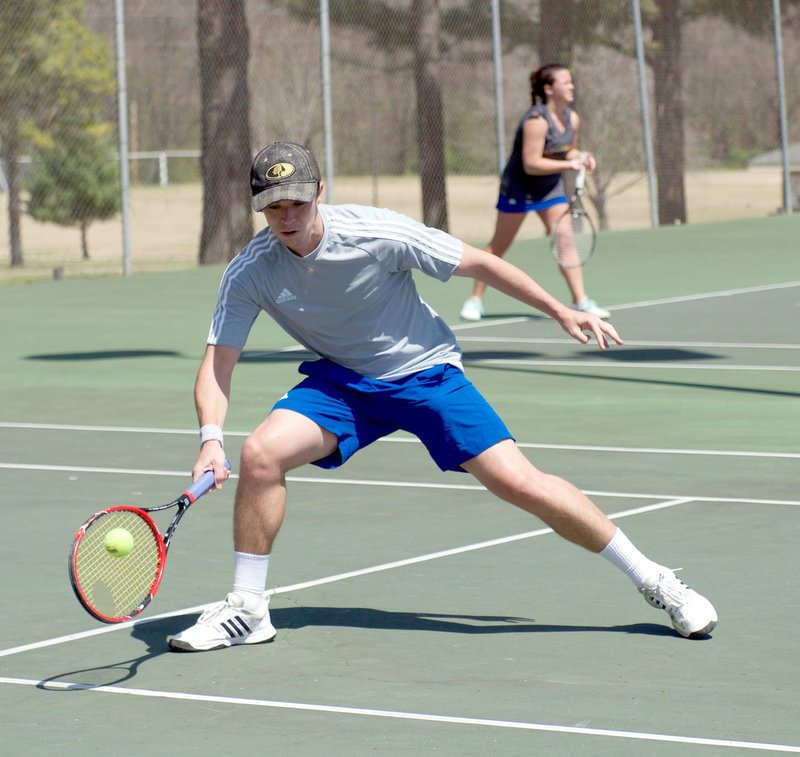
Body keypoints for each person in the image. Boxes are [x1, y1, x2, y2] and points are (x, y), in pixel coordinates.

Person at [166, 141, 717, 652]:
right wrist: (210, 439)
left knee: (520, 483)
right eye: (273, 206)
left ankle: (656, 580)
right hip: (345, 381)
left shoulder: (377, 233)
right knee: (261, 453)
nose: (287, 217)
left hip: (425, 371)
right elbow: (218, 363)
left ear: (319, 193)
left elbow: (479, 262)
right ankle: (248, 607)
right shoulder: (251, 270)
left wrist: (563, 311)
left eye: (296, 202)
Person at [460, 63, 609, 323]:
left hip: (549, 189)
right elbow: (532, 163)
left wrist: (582, 156)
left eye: (571, 81)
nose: (572, 86)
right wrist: (569, 164)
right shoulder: (536, 121)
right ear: (549, 89)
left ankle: (581, 301)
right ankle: (475, 300)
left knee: (566, 240)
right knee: (498, 246)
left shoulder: (572, 118)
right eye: (565, 82)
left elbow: (568, 150)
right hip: (519, 189)